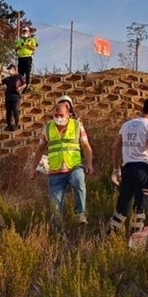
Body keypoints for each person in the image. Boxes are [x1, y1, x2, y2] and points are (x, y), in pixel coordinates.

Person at [29, 96, 94, 226]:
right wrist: (33, 169)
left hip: (74, 166)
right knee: (56, 205)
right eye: (56, 115)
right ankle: (59, 229)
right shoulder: (48, 128)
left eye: (61, 115)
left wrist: (89, 164)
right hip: (55, 170)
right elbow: (40, 149)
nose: (59, 118)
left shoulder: (77, 125)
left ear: (69, 114)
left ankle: (80, 214)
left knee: (79, 181)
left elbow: (86, 146)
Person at [109, 97, 148, 234]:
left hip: (127, 168)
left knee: (123, 205)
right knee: (141, 206)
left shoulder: (126, 125)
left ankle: (109, 236)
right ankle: (135, 239)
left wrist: (116, 169)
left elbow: (115, 147)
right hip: (143, 169)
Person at [0, 64, 26, 131]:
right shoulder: (8, 78)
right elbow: (0, 82)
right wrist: (0, 73)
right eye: (8, 70)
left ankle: (16, 125)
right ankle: (9, 125)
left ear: (14, 69)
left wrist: (20, 88)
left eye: (10, 69)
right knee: (8, 112)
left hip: (16, 96)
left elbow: (25, 84)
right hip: (8, 97)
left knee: (15, 110)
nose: (9, 71)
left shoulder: (19, 76)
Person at [14, 25, 38, 89]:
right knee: (20, 72)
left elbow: (34, 48)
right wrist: (20, 46)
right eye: (24, 31)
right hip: (21, 57)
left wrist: (27, 45)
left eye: (26, 31)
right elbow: (16, 48)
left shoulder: (32, 39)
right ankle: (21, 84)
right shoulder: (20, 40)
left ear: (28, 32)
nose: (25, 32)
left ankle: (27, 84)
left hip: (28, 57)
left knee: (27, 72)